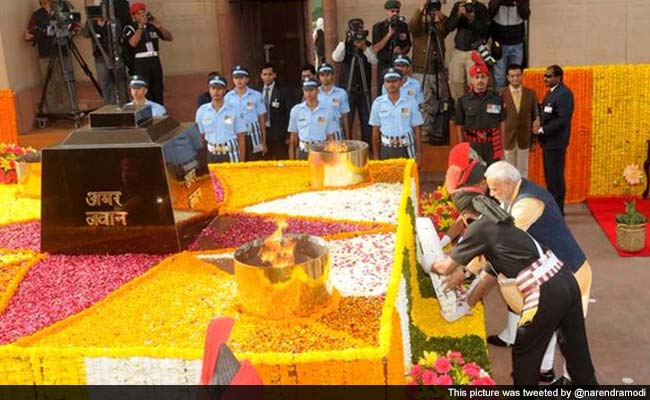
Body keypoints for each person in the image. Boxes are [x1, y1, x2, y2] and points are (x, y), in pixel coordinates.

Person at [430, 191, 598, 386]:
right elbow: (489, 273)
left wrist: (427, 263)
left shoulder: (478, 228)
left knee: (525, 352)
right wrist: (468, 301)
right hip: (566, 279)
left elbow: (445, 267)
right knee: (575, 350)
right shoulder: (502, 222)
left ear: (466, 215)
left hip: (546, 290)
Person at [483, 161, 593, 384]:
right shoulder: (517, 192)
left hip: (572, 272)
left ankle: (575, 383)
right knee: (552, 322)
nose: (492, 194)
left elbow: (504, 240)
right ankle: (546, 370)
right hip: (552, 272)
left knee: (570, 335)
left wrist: (474, 267)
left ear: (508, 183)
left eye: (495, 189)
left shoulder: (527, 204)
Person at [409, 0, 451, 144]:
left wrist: (440, 19)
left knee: (442, 102)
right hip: (422, 71)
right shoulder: (419, 25)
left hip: (438, 70)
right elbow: (412, 26)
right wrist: (421, 9)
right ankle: (425, 138)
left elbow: (447, 29)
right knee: (425, 104)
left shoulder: (439, 23)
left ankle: (439, 134)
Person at [332, 18, 378, 148]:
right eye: (355, 31)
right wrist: (346, 42)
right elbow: (336, 58)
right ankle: (346, 147)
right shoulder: (344, 45)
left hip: (364, 89)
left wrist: (364, 47)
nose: (358, 34)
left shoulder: (367, 45)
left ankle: (368, 148)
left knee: (366, 120)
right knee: (347, 120)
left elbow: (374, 61)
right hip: (347, 89)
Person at [24, 0, 74, 116]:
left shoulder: (60, 10)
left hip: (63, 50)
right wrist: (40, 33)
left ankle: (70, 108)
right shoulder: (37, 15)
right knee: (49, 83)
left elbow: (73, 25)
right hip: (46, 53)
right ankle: (54, 111)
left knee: (66, 80)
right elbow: (29, 33)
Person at [536, 65, 574, 215]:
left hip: (556, 143)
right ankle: (554, 209)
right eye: (545, 76)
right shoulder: (552, 93)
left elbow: (562, 120)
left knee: (555, 179)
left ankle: (558, 211)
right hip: (548, 143)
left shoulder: (564, 94)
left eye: (549, 76)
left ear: (558, 77)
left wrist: (542, 130)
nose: (545, 79)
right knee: (550, 179)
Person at [455, 52, 506, 165]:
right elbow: (459, 126)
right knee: (475, 176)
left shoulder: (497, 99)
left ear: (488, 79)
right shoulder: (463, 101)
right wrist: (462, 148)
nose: (480, 80)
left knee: (493, 176)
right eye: (476, 77)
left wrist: (502, 147)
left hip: (492, 145)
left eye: (483, 76)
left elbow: (502, 123)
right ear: (471, 80)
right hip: (472, 145)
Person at [369, 68, 423, 165]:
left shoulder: (411, 102)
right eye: (388, 81)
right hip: (386, 148)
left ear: (401, 82)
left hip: (406, 148)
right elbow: (375, 131)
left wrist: (419, 155)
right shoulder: (378, 103)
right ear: (384, 84)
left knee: (408, 179)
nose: (391, 85)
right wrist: (376, 157)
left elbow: (417, 129)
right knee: (387, 179)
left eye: (395, 81)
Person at [123, 2, 172, 105]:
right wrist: (141, 26)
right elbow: (133, 43)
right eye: (138, 14)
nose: (142, 15)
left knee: (158, 89)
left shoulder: (151, 26)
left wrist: (159, 26)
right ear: (134, 16)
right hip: (141, 63)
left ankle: (159, 111)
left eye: (143, 12)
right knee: (144, 90)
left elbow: (169, 37)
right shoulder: (130, 27)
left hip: (154, 60)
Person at [446, 0, 490, 102]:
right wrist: (458, 15)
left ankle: (474, 107)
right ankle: (459, 108)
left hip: (474, 51)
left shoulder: (481, 8)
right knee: (456, 82)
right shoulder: (459, 5)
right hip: (459, 50)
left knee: (475, 82)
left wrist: (471, 19)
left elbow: (485, 30)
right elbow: (449, 27)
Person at [195, 75, 247, 163]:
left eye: (219, 88)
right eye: (213, 88)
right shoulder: (202, 111)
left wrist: (241, 161)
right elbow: (201, 136)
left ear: (224, 90)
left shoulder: (234, 110)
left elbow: (241, 137)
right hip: (212, 154)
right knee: (215, 177)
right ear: (209, 90)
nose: (216, 92)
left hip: (231, 153)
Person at [502, 64, 539, 178]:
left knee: (523, 169)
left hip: (524, 137)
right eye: (512, 76)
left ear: (522, 76)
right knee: (508, 169)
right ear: (508, 77)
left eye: (518, 75)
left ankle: (522, 194)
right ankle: (509, 194)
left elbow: (535, 117)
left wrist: (534, 139)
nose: (515, 78)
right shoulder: (501, 94)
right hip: (507, 139)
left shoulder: (530, 94)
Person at [82, 12, 128, 105]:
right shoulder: (92, 23)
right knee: (105, 85)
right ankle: (109, 108)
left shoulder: (113, 21)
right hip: (100, 58)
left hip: (115, 57)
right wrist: (90, 20)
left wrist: (109, 20)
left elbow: (118, 33)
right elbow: (85, 34)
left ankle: (124, 106)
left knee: (120, 83)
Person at [225, 65, 267, 161]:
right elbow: (227, 119)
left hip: (253, 135)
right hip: (236, 135)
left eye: (241, 78)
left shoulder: (256, 96)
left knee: (255, 163)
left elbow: (261, 120)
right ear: (233, 79)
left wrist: (264, 142)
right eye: (236, 78)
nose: (239, 81)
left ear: (247, 79)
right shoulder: (228, 97)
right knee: (239, 162)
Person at [288, 78, 337, 160]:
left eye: (311, 90)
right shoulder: (296, 110)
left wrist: (332, 158)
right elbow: (293, 138)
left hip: (321, 151)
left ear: (317, 91)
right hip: (303, 151)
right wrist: (292, 161)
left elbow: (330, 137)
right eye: (306, 90)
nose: (309, 93)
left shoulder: (327, 111)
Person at [488, 0, 530, 91]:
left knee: (515, 76)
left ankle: (514, 101)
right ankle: (500, 101)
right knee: (499, 78)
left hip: (517, 43)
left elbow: (525, 15)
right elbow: (490, 13)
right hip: (499, 43)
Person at [372, 0, 412, 94]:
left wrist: (401, 51)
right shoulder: (378, 27)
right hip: (384, 65)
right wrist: (389, 34)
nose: (395, 14)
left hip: (399, 65)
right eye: (392, 11)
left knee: (402, 91)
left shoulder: (403, 26)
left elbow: (408, 45)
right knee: (383, 93)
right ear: (387, 12)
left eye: (397, 11)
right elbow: (376, 48)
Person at [259, 63, 292, 160]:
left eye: (270, 74)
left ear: (274, 75)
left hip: (279, 133)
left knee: (281, 160)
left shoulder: (283, 91)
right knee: (265, 163)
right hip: (263, 132)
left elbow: (288, 113)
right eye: (265, 74)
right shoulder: (257, 92)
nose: (267, 77)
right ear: (261, 76)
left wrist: (288, 135)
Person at [317, 63, 351, 141]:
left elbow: (345, 117)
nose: (325, 77)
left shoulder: (341, 93)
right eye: (322, 75)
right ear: (319, 77)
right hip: (319, 129)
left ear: (333, 76)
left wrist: (348, 139)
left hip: (336, 129)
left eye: (328, 74)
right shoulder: (315, 92)